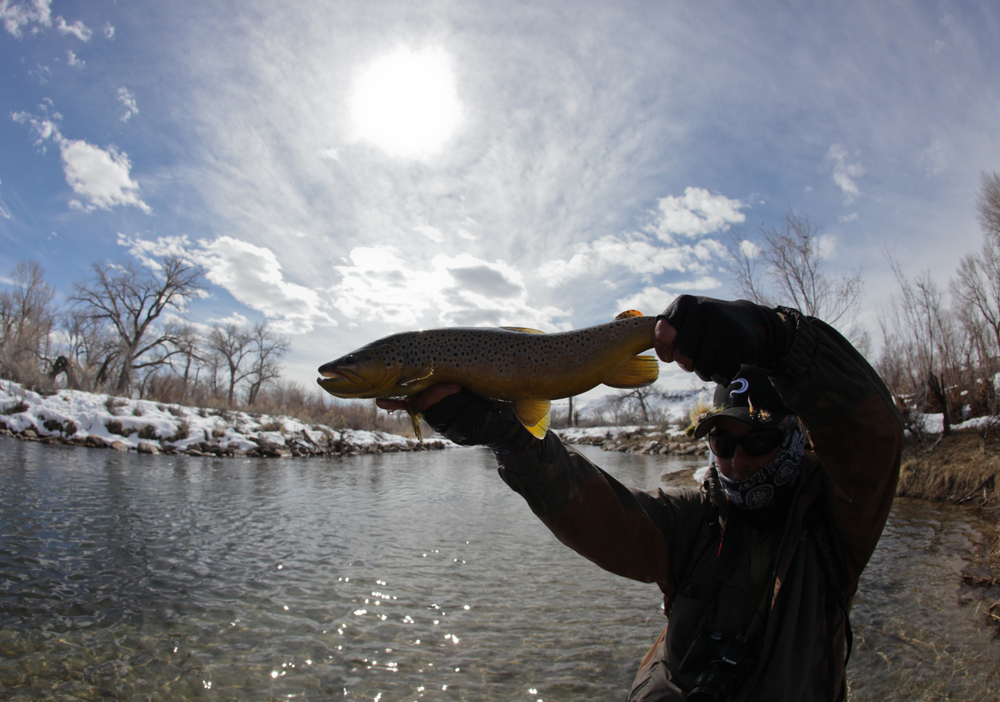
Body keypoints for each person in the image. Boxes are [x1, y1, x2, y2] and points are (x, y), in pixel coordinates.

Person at [377, 295, 903, 701]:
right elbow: (605, 518)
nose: (738, 462)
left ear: (793, 436)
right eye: (723, 441)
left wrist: (783, 339)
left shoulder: (837, 519)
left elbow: (870, 437)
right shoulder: (695, 518)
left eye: (759, 441)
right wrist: (512, 439)